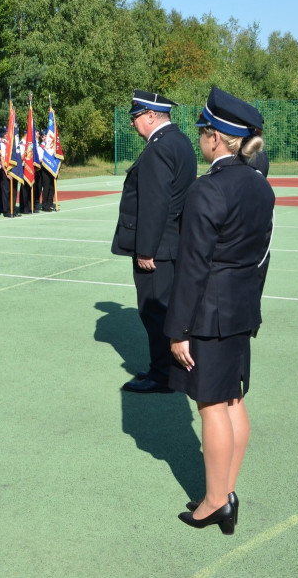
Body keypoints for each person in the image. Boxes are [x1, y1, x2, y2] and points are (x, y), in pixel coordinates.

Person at [166, 86, 275, 534]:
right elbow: (263, 256)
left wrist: (177, 329)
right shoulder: (260, 185)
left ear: (216, 138)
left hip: (208, 313)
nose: (200, 139)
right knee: (233, 400)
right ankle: (226, 490)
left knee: (211, 406)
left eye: (203, 132)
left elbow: (192, 268)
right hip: (240, 309)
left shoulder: (206, 190)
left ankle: (215, 502)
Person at [112, 90, 197, 394]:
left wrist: (146, 249)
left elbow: (154, 203)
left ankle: (164, 376)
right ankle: (170, 370)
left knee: (155, 310)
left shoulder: (159, 148)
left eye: (136, 117)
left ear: (150, 116)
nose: (133, 124)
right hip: (172, 242)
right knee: (168, 309)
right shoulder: (180, 141)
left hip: (158, 249)